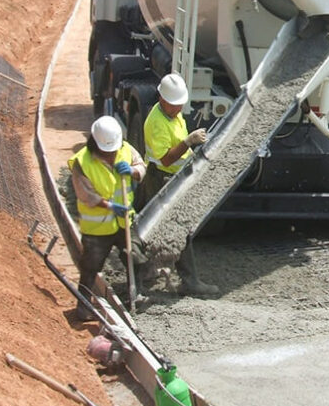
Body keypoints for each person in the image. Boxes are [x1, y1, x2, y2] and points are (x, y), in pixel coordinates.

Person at [138, 73, 218, 296]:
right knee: (174, 230)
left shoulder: (174, 115)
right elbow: (165, 159)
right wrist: (187, 142)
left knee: (154, 228)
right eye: (175, 105)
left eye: (181, 105)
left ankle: (144, 271)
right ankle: (188, 282)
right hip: (160, 179)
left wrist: (196, 149)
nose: (179, 109)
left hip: (173, 176)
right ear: (163, 101)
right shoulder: (156, 122)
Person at [68, 115, 148, 319]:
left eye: (114, 150)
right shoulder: (82, 162)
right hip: (98, 229)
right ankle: (84, 307)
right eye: (107, 151)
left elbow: (142, 166)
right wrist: (111, 206)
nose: (112, 154)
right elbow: (86, 195)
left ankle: (135, 295)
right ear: (96, 143)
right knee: (90, 267)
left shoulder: (126, 150)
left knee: (135, 256)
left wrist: (132, 170)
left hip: (124, 222)